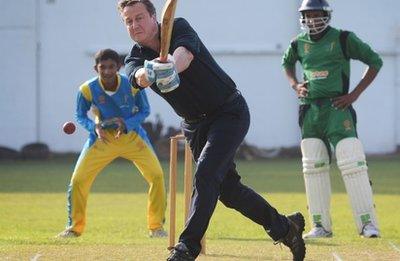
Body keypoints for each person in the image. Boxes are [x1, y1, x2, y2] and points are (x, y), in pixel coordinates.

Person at [117, 1, 306, 260]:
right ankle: (286, 228)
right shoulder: (134, 57)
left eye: (140, 18)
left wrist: (170, 63)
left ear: (153, 17)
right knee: (227, 191)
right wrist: (150, 70)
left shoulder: (178, 27)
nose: (135, 25)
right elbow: (137, 77)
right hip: (194, 126)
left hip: (229, 112)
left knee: (205, 175)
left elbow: (185, 54)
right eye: (129, 21)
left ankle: (187, 248)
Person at [282, 0, 383, 239]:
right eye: (308, 15)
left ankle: (368, 224)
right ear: (302, 18)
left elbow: (374, 61)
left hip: (338, 108)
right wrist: (295, 84)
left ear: (327, 15)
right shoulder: (298, 43)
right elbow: (286, 63)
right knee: (313, 167)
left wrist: (354, 94)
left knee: (352, 163)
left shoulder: (343, 38)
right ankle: (320, 225)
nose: (313, 20)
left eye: (317, 14)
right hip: (310, 111)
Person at [56, 49, 167, 239]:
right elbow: (80, 115)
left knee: (157, 176)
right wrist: (94, 128)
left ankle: (156, 227)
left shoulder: (132, 85)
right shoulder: (87, 89)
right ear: (95, 68)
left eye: (111, 67)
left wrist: (127, 123)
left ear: (119, 67)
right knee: (78, 180)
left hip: (132, 137)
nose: (107, 71)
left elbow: (144, 110)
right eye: (102, 67)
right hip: (102, 139)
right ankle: (74, 228)